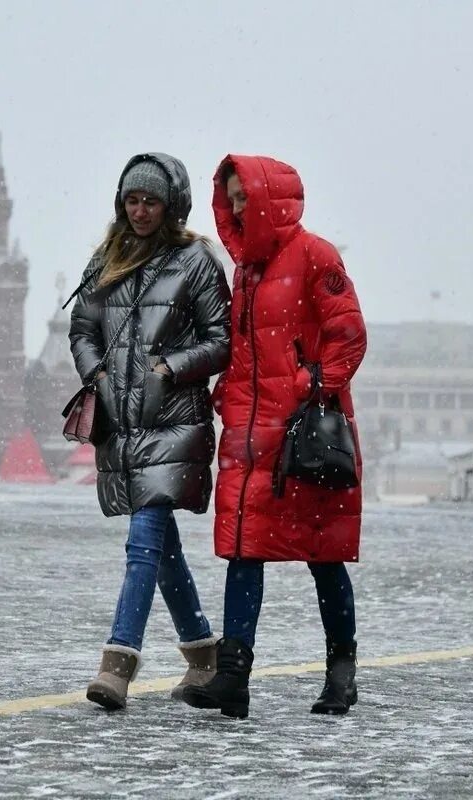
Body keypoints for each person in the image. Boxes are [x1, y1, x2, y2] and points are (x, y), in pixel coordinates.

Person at [182, 155, 368, 719]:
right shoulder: (245, 270)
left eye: (244, 197)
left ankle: (341, 674)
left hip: (303, 435)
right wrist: (227, 400)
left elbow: (349, 333)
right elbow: (245, 353)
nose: (237, 208)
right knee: (245, 549)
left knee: (322, 553)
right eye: (231, 198)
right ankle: (233, 679)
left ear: (269, 198)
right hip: (251, 433)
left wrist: (314, 382)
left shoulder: (316, 255)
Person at [69, 153, 232, 711]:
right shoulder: (106, 259)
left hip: (174, 420)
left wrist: (169, 369)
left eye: (150, 201)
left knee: (143, 542)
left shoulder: (195, 262)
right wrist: (96, 372)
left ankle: (118, 665)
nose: (139, 211)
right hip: (120, 422)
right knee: (161, 549)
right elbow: (83, 327)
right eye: (132, 200)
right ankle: (204, 656)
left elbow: (222, 339)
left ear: (171, 206)